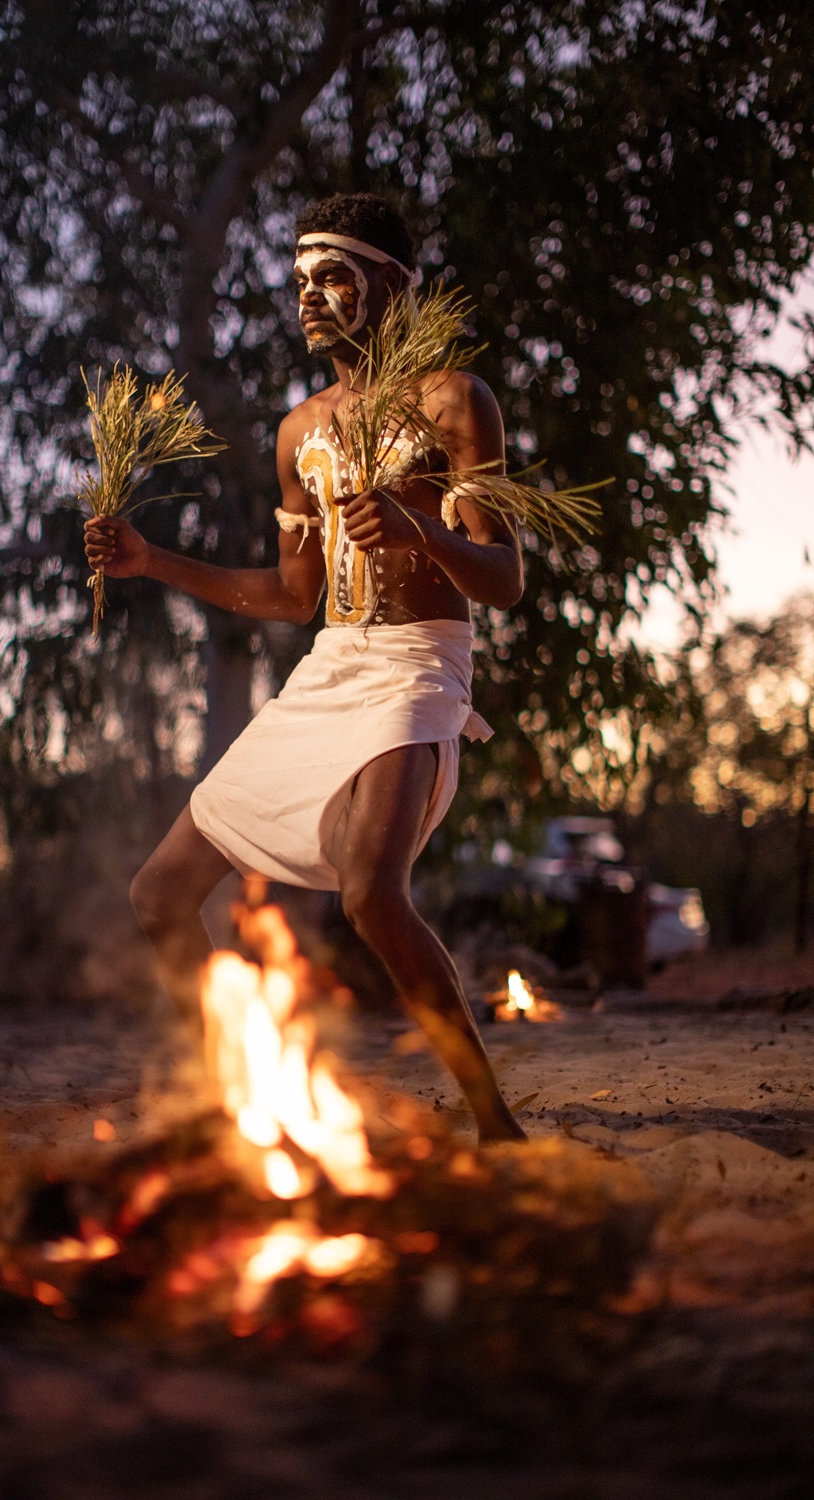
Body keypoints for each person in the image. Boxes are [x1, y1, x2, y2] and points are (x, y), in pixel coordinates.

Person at [85, 192, 525, 1142]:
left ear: (394, 283)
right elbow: (292, 598)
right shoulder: (299, 432)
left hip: (417, 665)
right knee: (159, 892)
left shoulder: (454, 400)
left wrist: (420, 531)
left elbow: (505, 580)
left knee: (373, 893)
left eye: (336, 276)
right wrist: (151, 561)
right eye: (301, 282)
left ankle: (493, 1124)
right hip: (332, 668)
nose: (312, 298)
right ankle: (233, 1097)